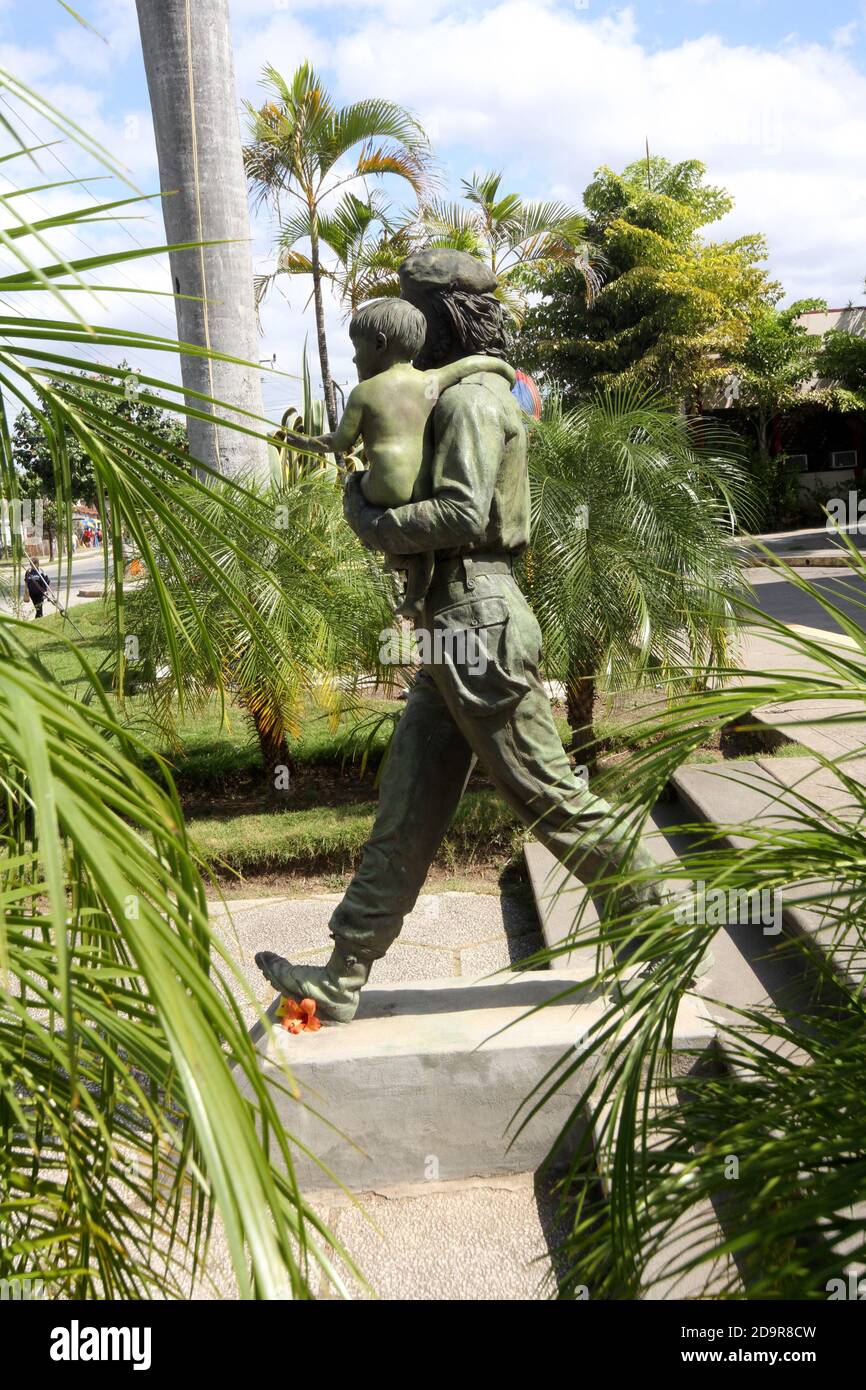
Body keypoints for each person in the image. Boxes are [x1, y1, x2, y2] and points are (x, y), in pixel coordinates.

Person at [255, 249, 678, 1023]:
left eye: (415, 311)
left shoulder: (474, 403)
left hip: (476, 627)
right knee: (409, 803)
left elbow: (458, 514)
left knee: (551, 798)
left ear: (442, 319)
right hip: (452, 632)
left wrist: (367, 517)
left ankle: (659, 938)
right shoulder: (444, 395)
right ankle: (346, 972)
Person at [279, 297, 515, 618]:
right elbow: (471, 364)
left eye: (356, 348)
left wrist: (304, 443)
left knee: (355, 481)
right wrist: (504, 370)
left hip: (383, 487)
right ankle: (416, 597)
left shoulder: (364, 392)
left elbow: (340, 442)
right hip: (422, 487)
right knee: (423, 543)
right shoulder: (431, 380)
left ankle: (393, 558)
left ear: (379, 344)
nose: (352, 356)